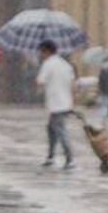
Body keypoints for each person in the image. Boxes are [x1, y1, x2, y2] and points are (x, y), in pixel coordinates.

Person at [36, 40, 76, 170]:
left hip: (55, 103)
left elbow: (40, 81)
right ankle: (50, 156)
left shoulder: (48, 64)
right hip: (65, 102)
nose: (40, 55)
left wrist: (39, 83)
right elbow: (72, 82)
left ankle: (70, 158)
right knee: (51, 129)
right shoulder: (65, 64)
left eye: (41, 52)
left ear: (46, 51)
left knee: (60, 130)